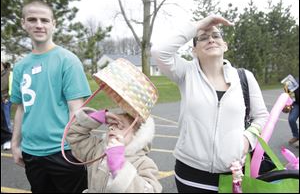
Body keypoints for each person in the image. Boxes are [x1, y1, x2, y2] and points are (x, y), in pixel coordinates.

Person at [152, 15, 269, 193]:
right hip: (190, 175)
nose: (211, 39)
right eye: (203, 37)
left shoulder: (244, 77)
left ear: (225, 45)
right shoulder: (186, 73)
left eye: (216, 35)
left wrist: (247, 139)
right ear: (194, 50)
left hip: (233, 174)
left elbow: (262, 116)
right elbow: (159, 51)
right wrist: (200, 25)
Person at [10, 0, 91, 193]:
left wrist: (79, 148)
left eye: (44, 20)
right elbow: (21, 108)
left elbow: (76, 110)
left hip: (63, 151)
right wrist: (15, 144)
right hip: (31, 152)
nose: (39, 24)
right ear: (24, 23)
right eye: (32, 19)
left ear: (53, 24)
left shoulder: (68, 60)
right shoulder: (21, 66)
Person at [66, 108, 162, 193]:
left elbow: (151, 190)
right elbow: (74, 135)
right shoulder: (98, 150)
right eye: (110, 125)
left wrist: (119, 166)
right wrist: (96, 117)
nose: (111, 127)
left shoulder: (144, 163)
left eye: (120, 126)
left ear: (137, 135)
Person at [1, 61, 12, 150]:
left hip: (6, 99)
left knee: (6, 119)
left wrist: (7, 97)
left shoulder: (8, 73)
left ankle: (8, 140)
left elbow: (10, 86)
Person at [287, 77, 299, 148]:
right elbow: (289, 93)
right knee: (291, 119)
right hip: (296, 104)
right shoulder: (295, 81)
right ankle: (296, 136)